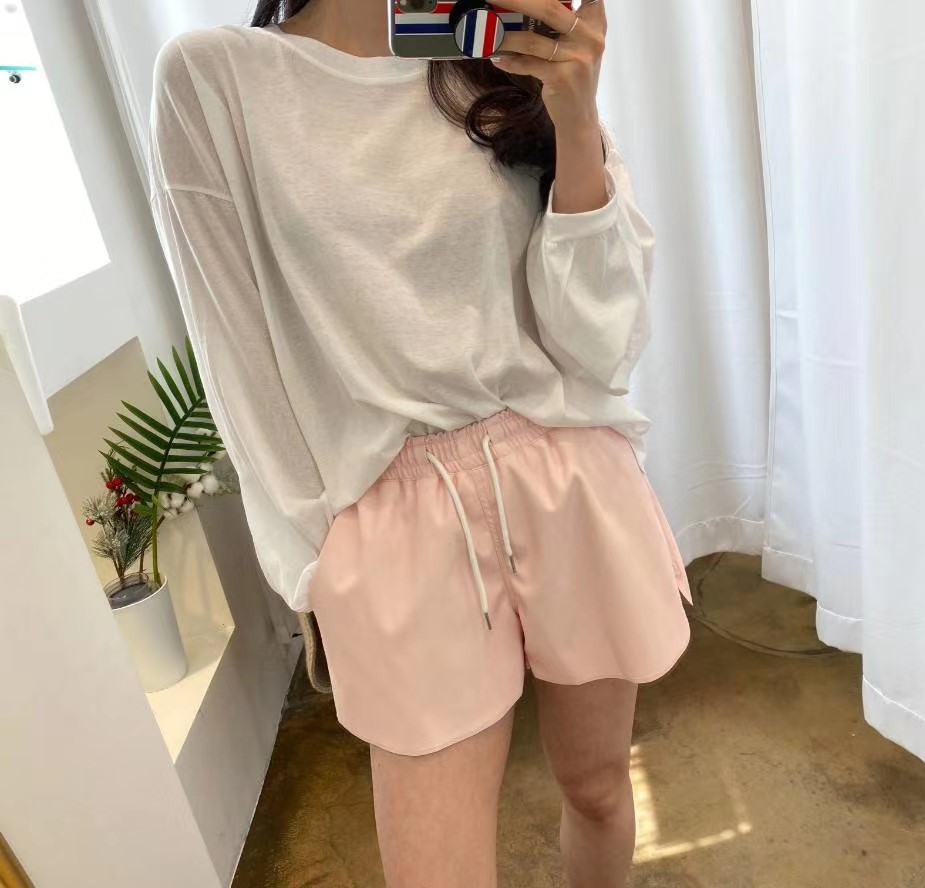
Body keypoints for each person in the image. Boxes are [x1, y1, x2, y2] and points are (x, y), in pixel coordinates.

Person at [148, 0, 693, 885]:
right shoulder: (217, 81)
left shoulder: (503, 54)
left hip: (566, 469)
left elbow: (600, 342)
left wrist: (576, 119)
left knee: (598, 789)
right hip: (395, 518)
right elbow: (238, 361)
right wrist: (323, 563)